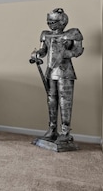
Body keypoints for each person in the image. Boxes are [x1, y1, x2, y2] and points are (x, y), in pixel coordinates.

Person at [30, 8, 84, 143]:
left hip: (65, 71)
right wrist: (37, 54)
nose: (50, 24)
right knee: (51, 100)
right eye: (49, 21)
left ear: (62, 21)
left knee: (65, 101)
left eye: (53, 21)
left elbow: (77, 50)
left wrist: (64, 53)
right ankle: (52, 129)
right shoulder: (46, 35)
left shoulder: (73, 33)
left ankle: (65, 132)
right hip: (50, 71)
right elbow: (43, 50)